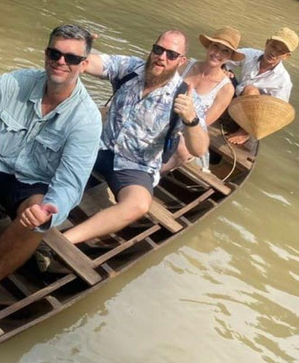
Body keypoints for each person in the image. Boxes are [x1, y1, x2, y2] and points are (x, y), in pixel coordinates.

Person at [0, 25, 101, 306]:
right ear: (46, 53)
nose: (61, 62)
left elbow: (69, 184)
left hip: (30, 184)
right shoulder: (18, 81)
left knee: (37, 218)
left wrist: (49, 213)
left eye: (72, 58)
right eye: (55, 53)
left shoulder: (85, 119)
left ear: (84, 65)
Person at [59, 30, 209, 247]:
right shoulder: (130, 68)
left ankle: (65, 241)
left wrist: (190, 118)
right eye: (159, 49)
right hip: (100, 145)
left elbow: (199, 149)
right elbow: (89, 63)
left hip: (136, 165)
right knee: (52, 146)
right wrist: (80, 48)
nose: (162, 57)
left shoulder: (186, 96)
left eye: (171, 54)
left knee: (138, 205)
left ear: (181, 61)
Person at [161, 27, 243, 173]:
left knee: (182, 149)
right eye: (215, 46)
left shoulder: (226, 89)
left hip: (186, 132)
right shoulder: (186, 65)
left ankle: (150, 176)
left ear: (229, 56)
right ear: (208, 47)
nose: (217, 54)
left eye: (225, 51)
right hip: (160, 115)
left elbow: (203, 123)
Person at [226, 27, 298, 145]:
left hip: (253, 116)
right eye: (273, 46)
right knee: (221, 73)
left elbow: (277, 113)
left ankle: (244, 132)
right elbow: (225, 59)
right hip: (236, 95)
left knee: (251, 90)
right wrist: (225, 70)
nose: (274, 53)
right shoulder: (250, 54)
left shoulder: (283, 81)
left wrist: (254, 128)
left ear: (286, 56)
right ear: (267, 43)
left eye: (280, 51)